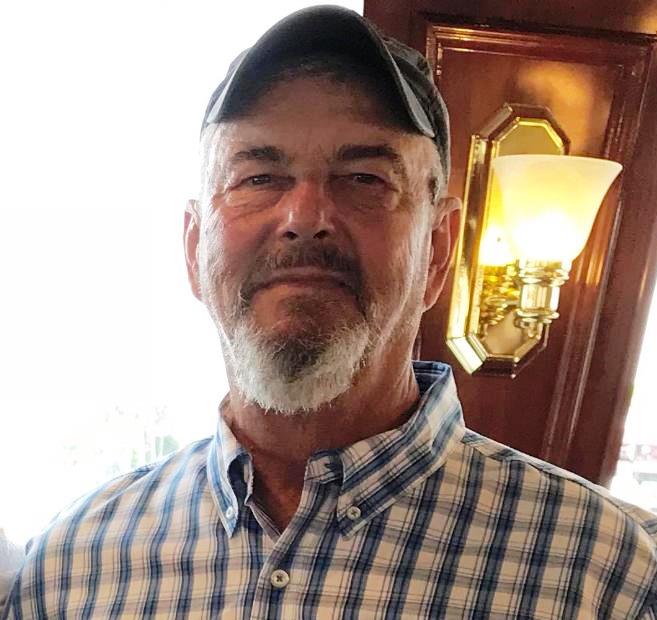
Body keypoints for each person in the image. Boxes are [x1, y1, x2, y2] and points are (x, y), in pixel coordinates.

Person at [3, 5, 657, 619]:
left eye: (365, 179)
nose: (305, 216)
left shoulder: (611, 577)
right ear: (194, 248)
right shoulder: (67, 568)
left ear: (436, 250)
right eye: (258, 177)